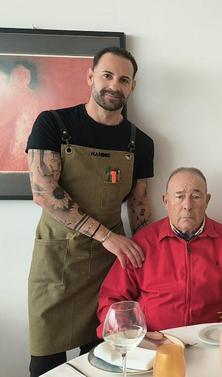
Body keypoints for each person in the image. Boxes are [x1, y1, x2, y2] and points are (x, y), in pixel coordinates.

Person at [26, 47, 154, 377]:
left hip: (110, 264)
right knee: (45, 359)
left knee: (102, 356)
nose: (115, 85)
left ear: (132, 88)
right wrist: (107, 236)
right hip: (57, 261)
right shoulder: (53, 123)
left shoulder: (140, 142)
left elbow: (138, 204)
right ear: (90, 77)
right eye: (107, 76)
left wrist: (147, 261)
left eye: (124, 80)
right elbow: (44, 193)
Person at [97, 167, 222, 335]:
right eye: (179, 196)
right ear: (165, 201)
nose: (187, 206)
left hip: (212, 342)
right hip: (153, 343)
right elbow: (112, 300)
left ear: (207, 201)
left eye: (196, 196)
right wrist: (131, 337)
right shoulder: (142, 243)